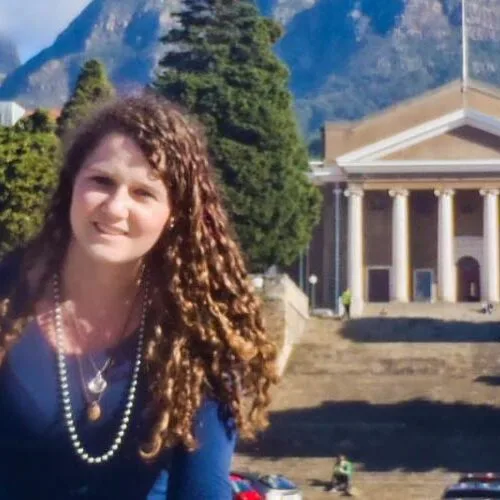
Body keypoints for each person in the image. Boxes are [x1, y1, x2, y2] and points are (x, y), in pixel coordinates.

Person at [0, 93, 278, 499]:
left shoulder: (202, 334)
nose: (115, 208)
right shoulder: (8, 298)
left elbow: (202, 491)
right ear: (71, 185)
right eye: (101, 181)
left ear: (174, 215)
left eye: (143, 193)